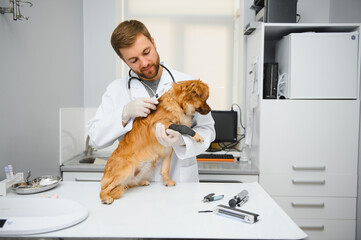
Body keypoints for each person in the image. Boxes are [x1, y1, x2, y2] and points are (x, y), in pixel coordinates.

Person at [86, 20, 215, 182]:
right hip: (136, 185)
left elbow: (208, 131)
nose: (144, 63)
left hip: (180, 182)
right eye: (133, 60)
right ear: (123, 60)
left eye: (146, 52)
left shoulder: (187, 84)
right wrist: (124, 114)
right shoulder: (116, 90)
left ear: (153, 43)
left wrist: (183, 141)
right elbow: (95, 138)